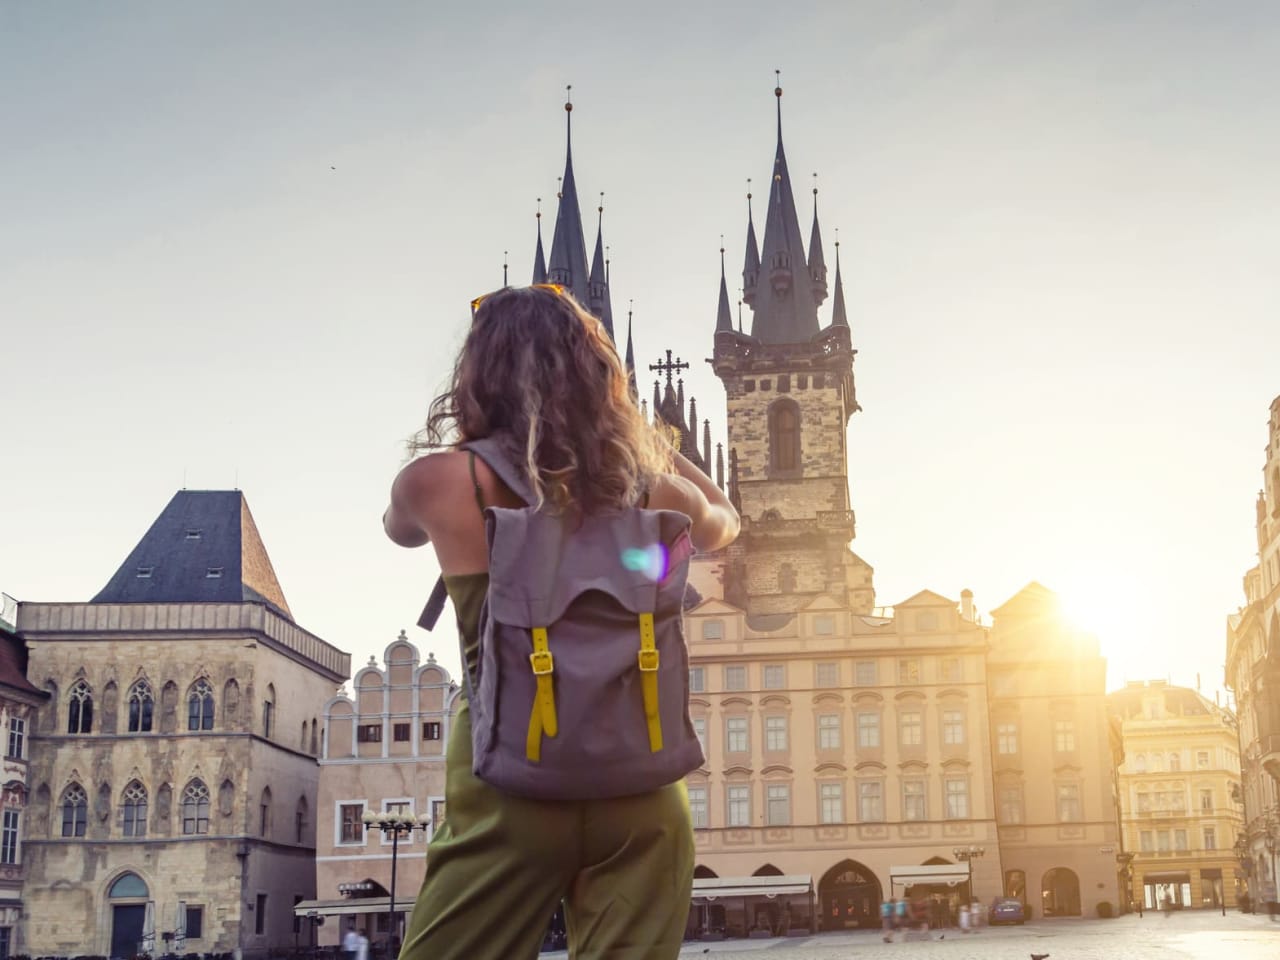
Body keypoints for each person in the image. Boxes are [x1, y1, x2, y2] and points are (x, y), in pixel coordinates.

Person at [385, 285, 741, 960]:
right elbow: (727, 519)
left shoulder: (438, 483)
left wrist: (484, 443)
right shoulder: (657, 493)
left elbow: (396, 530)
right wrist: (633, 431)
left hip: (507, 787)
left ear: (477, 374)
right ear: (601, 376)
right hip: (642, 795)